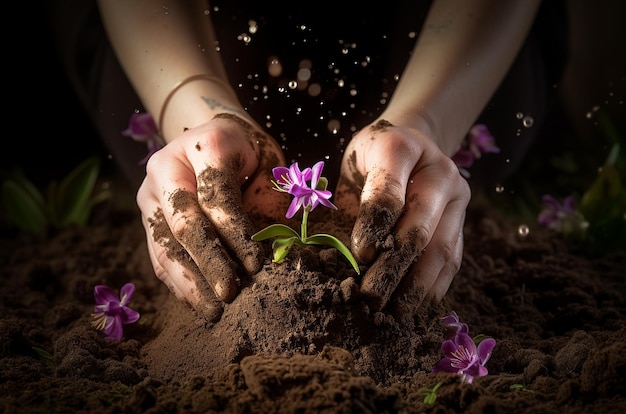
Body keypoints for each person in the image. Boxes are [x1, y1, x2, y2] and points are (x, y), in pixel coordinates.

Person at [53, 0, 567, 322]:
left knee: (414, 209)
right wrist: (195, 114)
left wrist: (423, 124)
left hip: (447, 56)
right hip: (187, 41)